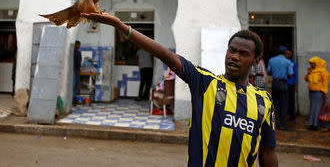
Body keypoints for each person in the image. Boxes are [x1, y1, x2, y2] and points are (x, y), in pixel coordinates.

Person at [81, 12, 278, 167]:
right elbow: (165, 54)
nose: (234, 57)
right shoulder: (205, 83)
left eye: (243, 54)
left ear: (256, 60)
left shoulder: (264, 102)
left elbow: (268, 152)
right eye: (232, 50)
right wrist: (121, 27)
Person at [267, 46, 293, 130]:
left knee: (273, 104)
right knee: (284, 105)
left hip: (275, 83)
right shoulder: (288, 62)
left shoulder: (271, 60)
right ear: (285, 53)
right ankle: (282, 125)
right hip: (283, 83)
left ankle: (270, 123)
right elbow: (290, 75)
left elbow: (269, 71)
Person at [305, 57, 329, 131]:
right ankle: (311, 124)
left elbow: (325, 83)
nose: (311, 65)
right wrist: (308, 73)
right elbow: (306, 79)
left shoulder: (323, 72)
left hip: (319, 93)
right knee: (312, 107)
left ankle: (316, 124)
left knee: (318, 108)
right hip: (311, 92)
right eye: (310, 64)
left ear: (317, 63)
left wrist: (325, 93)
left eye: (312, 64)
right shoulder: (312, 71)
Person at [285, 50, 298, 122]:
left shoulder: (293, 63)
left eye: (290, 54)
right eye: (287, 53)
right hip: (284, 83)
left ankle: (292, 116)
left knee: (291, 101)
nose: (288, 55)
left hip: (291, 84)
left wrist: (295, 85)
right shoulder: (283, 62)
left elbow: (295, 75)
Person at [73, 40, 82, 105]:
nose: (79, 46)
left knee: (72, 85)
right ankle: (74, 100)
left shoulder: (70, 51)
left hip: (71, 70)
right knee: (75, 85)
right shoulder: (78, 53)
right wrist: (79, 69)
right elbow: (79, 63)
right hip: (75, 70)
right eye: (78, 45)